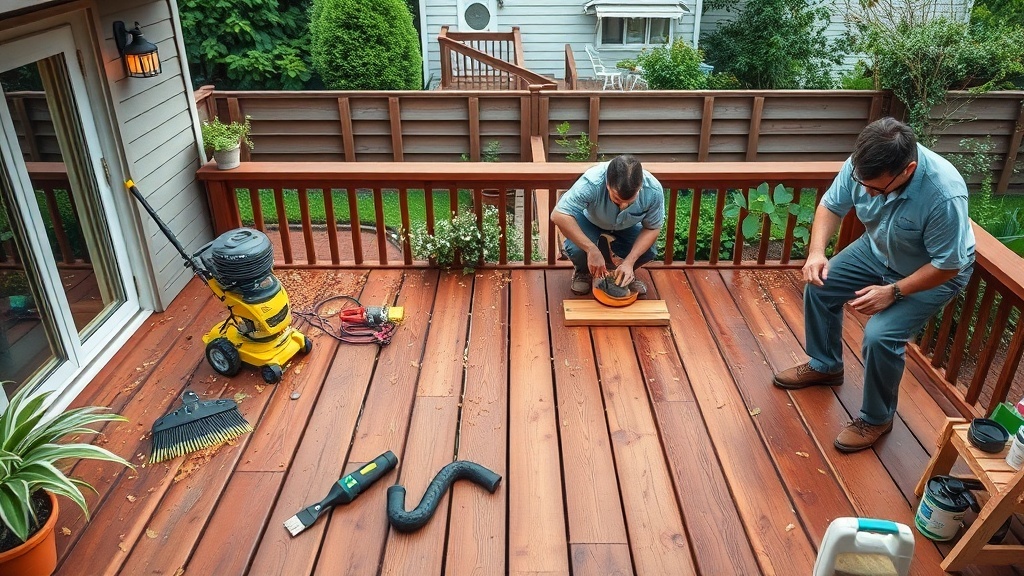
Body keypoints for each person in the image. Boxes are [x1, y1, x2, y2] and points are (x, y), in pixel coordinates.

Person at [773, 117, 975, 452]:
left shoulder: (944, 194)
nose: (867, 192)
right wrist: (816, 252)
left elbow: (949, 264)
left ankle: (877, 418)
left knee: (881, 336)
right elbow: (830, 206)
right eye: (862, 183)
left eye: (877, 189)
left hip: (932, 270)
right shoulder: (863, 164)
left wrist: (894, 291)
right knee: (821, 286)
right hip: (877, 249)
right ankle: (825, 365)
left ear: (908, 170)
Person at [551, 154, 664, 296]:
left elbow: (652, 227)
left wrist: (629, 262)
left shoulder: (653, 190)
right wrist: (591, 249)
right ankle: (583, 272)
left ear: (639, 187)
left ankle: (624, 273)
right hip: (590, 219)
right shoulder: (591, 182)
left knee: (649, 251)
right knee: (577, 249)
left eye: (630, 201)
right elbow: (558, 215)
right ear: (607, 184)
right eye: (617, 199)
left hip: (626, 225)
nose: (623, 206)